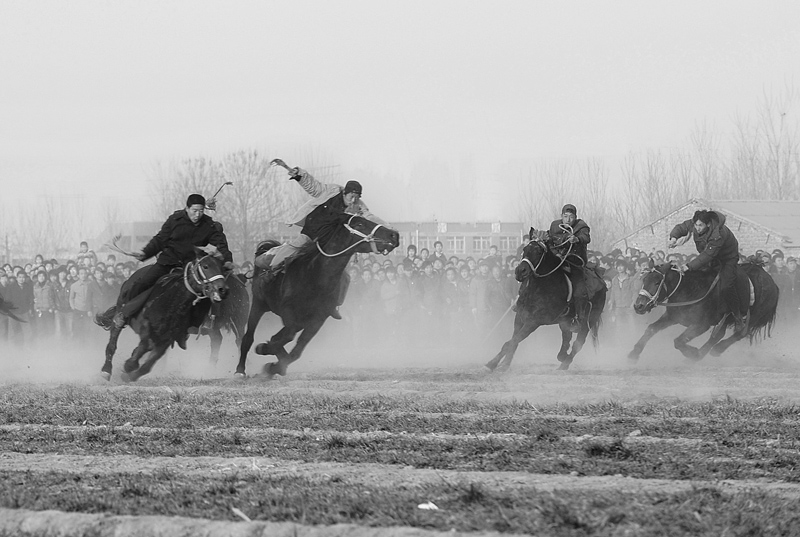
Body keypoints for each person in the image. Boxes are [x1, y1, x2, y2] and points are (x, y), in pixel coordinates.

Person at [255, 163, 385, 320]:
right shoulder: (331, 191)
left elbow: (369, 217)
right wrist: (299, 175)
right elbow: (314, 187)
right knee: (290, 251)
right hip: (312, 232)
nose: (354, 200)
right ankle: (270, 274)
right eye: (352, 196)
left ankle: (333, 305)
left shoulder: (358, 207)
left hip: (329, 242)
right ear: (345, 192)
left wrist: (386, 229)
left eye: (357, 197)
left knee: (344, 276)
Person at [95, 194, 233, 330]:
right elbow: (160, 240)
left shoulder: (208, 225)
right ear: (187, 209)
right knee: (142, 283)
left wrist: (227, 261)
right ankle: (123, 313)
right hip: (167, 262)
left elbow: (221, 244)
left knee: (207, 285)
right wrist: (145, 253)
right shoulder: (175, 220)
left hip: (190, 267)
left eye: (201, 211)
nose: (197, 215)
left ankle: (204, 318)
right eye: (194, 211)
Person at [669, 209, 746, 336]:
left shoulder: (718, 234)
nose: (697, 228)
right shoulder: (695, 224)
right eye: (695, 225)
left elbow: (707, 255)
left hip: (727, 259)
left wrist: (689, 266)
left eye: (700, 226)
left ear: (708, 224)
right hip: (711, 257)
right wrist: (673, 237)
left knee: (726, 285)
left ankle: (738, 317)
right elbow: (681, 227)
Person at [548, 204, 593, 332]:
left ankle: (578, 318)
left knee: (579, 291)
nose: (568, 220)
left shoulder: (581, 226)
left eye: (571, 217)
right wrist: (555, 253)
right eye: (565, 216)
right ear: (561, 216)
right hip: (557, 261)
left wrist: (577, 239)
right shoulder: (554, 226)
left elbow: (586, 238)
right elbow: (550, 240)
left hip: (574, 262)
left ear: (575, 217)